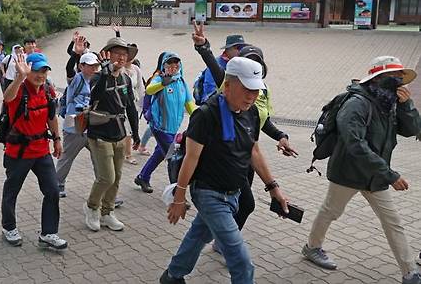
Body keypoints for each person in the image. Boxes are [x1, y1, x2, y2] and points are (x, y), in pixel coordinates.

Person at [160, 57, 290, 284]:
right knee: (242, 263)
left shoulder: (250, 113)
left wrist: (273, 187)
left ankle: (173, 275)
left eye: (256, 90)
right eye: (247, 89)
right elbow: (191, 158)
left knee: (199, 234)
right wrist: (179, 197)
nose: (252, 96)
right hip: (209, 194)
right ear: (228, 85)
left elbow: (254, 152)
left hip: (235, 192)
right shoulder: (206, 114)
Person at [301, 56, 421, 284]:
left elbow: (414, 130)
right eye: (395, 77)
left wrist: (407, 106)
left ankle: (410, 272)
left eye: (401, 78)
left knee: (392, 221)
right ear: (379, 79)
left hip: (375, 174)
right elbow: (354, 143)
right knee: (331, 211)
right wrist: (390, 175)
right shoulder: (357, 103)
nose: (400, 82)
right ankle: (311, 247)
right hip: (349, 172)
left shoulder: (389, 102)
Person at [191, 22, 297, 239]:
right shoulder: (231, 84)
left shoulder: (260, 92)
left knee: (236, 203)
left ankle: (215, 233)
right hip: (229, 155)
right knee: (246, 204)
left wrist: (281, 136)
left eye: (257, 64)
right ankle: (227, 240)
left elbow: (263, 121)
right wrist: (204, 47)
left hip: (248, 155)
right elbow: (215, 68)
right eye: (248, 62)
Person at [0, 52, 67, 250]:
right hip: (18, 152)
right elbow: (7, 98)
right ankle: (9, 227)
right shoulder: (19, 90)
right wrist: (20, 76)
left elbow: (52, 117)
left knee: (53, 190)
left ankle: (49, 233)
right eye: (37, 70)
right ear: (28, 71)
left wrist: (56, 139)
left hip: (41, 151)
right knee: (12, 191)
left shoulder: (48, 90)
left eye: (44, 70)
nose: (41, 75)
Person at [84, 37, 140, 233]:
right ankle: (92, 207)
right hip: (99, 133)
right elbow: (95, 95)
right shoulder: (99, 77)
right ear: (108, 55)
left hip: (119, 133)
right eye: (118, 53)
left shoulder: (125, 79)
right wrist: (107, 72)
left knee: (116, 177)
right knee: (106, 177)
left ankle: (107, 212)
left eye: (124, 54)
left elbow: (131, 107)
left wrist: (136, 132)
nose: (122, 58)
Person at [135, 52, 196, 192]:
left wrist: (200, 116)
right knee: (174, 158)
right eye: (170, 65)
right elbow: (149, 90)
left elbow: (189, 103)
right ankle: (176, 191)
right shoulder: (159, 79)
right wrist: (163, 83)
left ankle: (142, 177)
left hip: (173, 128)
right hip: (159, 127)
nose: (173, 68)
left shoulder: (181, 82)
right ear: (164, 66)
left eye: (176, 65)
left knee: (160, 153)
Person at [55, 52, 100, 198]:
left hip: (91, 125)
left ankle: (105, 190)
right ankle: (57, 184)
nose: (94, 68)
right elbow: (69, 69)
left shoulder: (97, 80)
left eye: (96, 65)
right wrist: (75, 54)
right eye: (91, 65)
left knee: (100, 158)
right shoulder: (76, 79)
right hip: (74, 124)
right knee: (67, 156)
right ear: (81, 66)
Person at [199, 34, 248, 102]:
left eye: (243, 48)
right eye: (238, 47)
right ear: (227, 49)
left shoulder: (242, 64)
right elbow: (209, 92)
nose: (241, 50)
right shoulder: (215, 65)